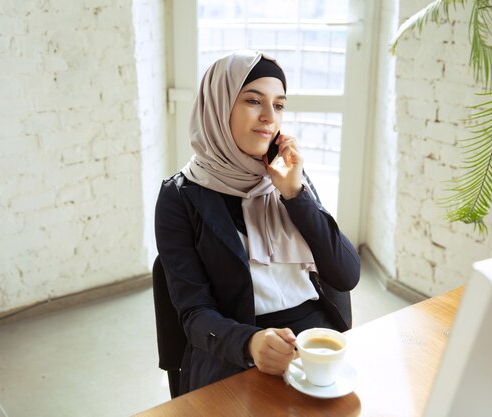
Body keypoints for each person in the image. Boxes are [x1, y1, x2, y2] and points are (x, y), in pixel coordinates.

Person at [154, 50, 360, 395]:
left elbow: (345, 274)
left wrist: (295, 194)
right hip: (233, 349)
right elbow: (194, 313)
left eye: (278, 106)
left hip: (313, 341)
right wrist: (250, 343)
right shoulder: (181, 196)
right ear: (218, 107)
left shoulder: (289, 175)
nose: (269, 117)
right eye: (253, 101)